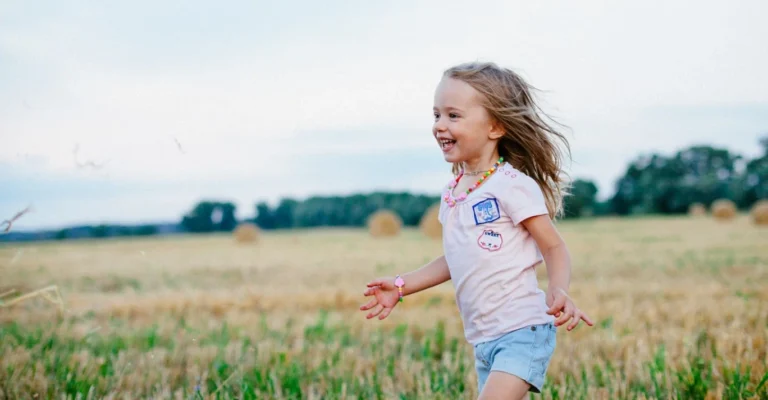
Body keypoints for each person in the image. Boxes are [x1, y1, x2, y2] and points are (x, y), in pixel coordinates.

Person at [359, 61, 594, 399]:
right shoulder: (453, 193)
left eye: (453, 116)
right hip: (483, 338)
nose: (440, 125)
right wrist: (401, 285)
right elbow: (456, 257)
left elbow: (554, 248)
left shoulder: (512, 186)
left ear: (495, 127)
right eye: (436, 115)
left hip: (522, 331)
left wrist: (559, 290)